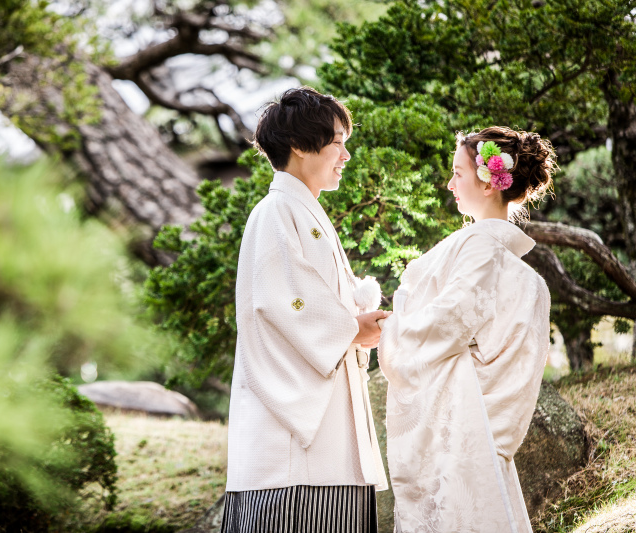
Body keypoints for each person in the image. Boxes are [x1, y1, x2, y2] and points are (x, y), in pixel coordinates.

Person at [221, 86, 389, 533]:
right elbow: (278, 303)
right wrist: (351, 328)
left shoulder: (302, 210)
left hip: (324, 417)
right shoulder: (275, 211)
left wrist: (356, 317)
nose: (345, 155)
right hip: (291, 436)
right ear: (298, 145)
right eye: (337, 142)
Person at [377, 126, 557, 533]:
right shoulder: (523, 274)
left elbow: (449, 321)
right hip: (482, 427)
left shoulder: (480, 246)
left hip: (459, 426)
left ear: (491, 182)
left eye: (457, 172)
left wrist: (393, 327)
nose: (450, 183)